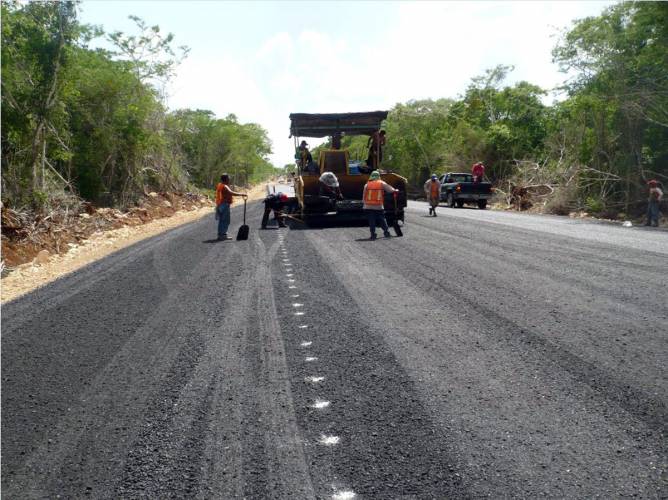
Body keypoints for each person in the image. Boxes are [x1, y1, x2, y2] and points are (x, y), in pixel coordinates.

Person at [363, 170, 398, 240]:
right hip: (378, 206)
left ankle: (373, 235)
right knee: (382, 219)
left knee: (371, 220)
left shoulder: (367, 185)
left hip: (368, 206)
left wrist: (364, 205)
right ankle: (386, 232)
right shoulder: (381, 183)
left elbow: (364, 196)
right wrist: (395, 190)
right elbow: (390, 190)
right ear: (378, 176)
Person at [215, 173, 247, 240]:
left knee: (222, 220)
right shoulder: (225, 186)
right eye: (228, 178)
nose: (229, 179)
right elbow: (231, 193)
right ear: (226, 179)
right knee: (226, 220)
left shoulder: (220, 185)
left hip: (220, 205)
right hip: (224, 205)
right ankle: (223, 235)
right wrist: (242, 194)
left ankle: (220, 235)